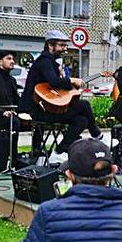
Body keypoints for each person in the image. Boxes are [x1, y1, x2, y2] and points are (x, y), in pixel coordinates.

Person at [19, 30, 102, 162]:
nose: (65, 49)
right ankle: (97, 135)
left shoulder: (50, 63)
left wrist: (70, 85)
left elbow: (57, 88)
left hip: (48, 108)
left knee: (81, 121)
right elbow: (54, 82)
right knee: (84, 105)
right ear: (50, 46)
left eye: (65, 45)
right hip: (38, 110)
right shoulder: (45, 62)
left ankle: (60, 151)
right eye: (61, 45)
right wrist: (71, 80)